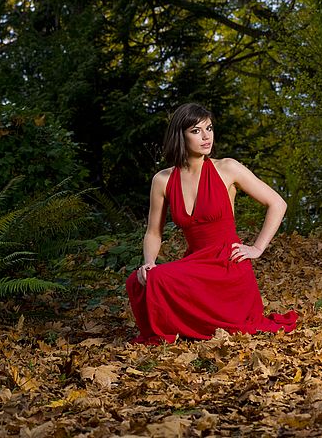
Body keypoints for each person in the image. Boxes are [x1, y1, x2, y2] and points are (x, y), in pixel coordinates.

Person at [125, 102, 298, 344]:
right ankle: (181, 328)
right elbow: (154, 232)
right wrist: (149, 262)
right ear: (180, 135)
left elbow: (277, 204)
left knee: (158, 280)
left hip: (228, 264)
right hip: (195, 263)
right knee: (139, 280)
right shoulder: (163, 180)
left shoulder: (227, 168)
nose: (206, 137)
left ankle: (197, 324)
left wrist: (257, 248)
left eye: (209, 128)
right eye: (196, 131)